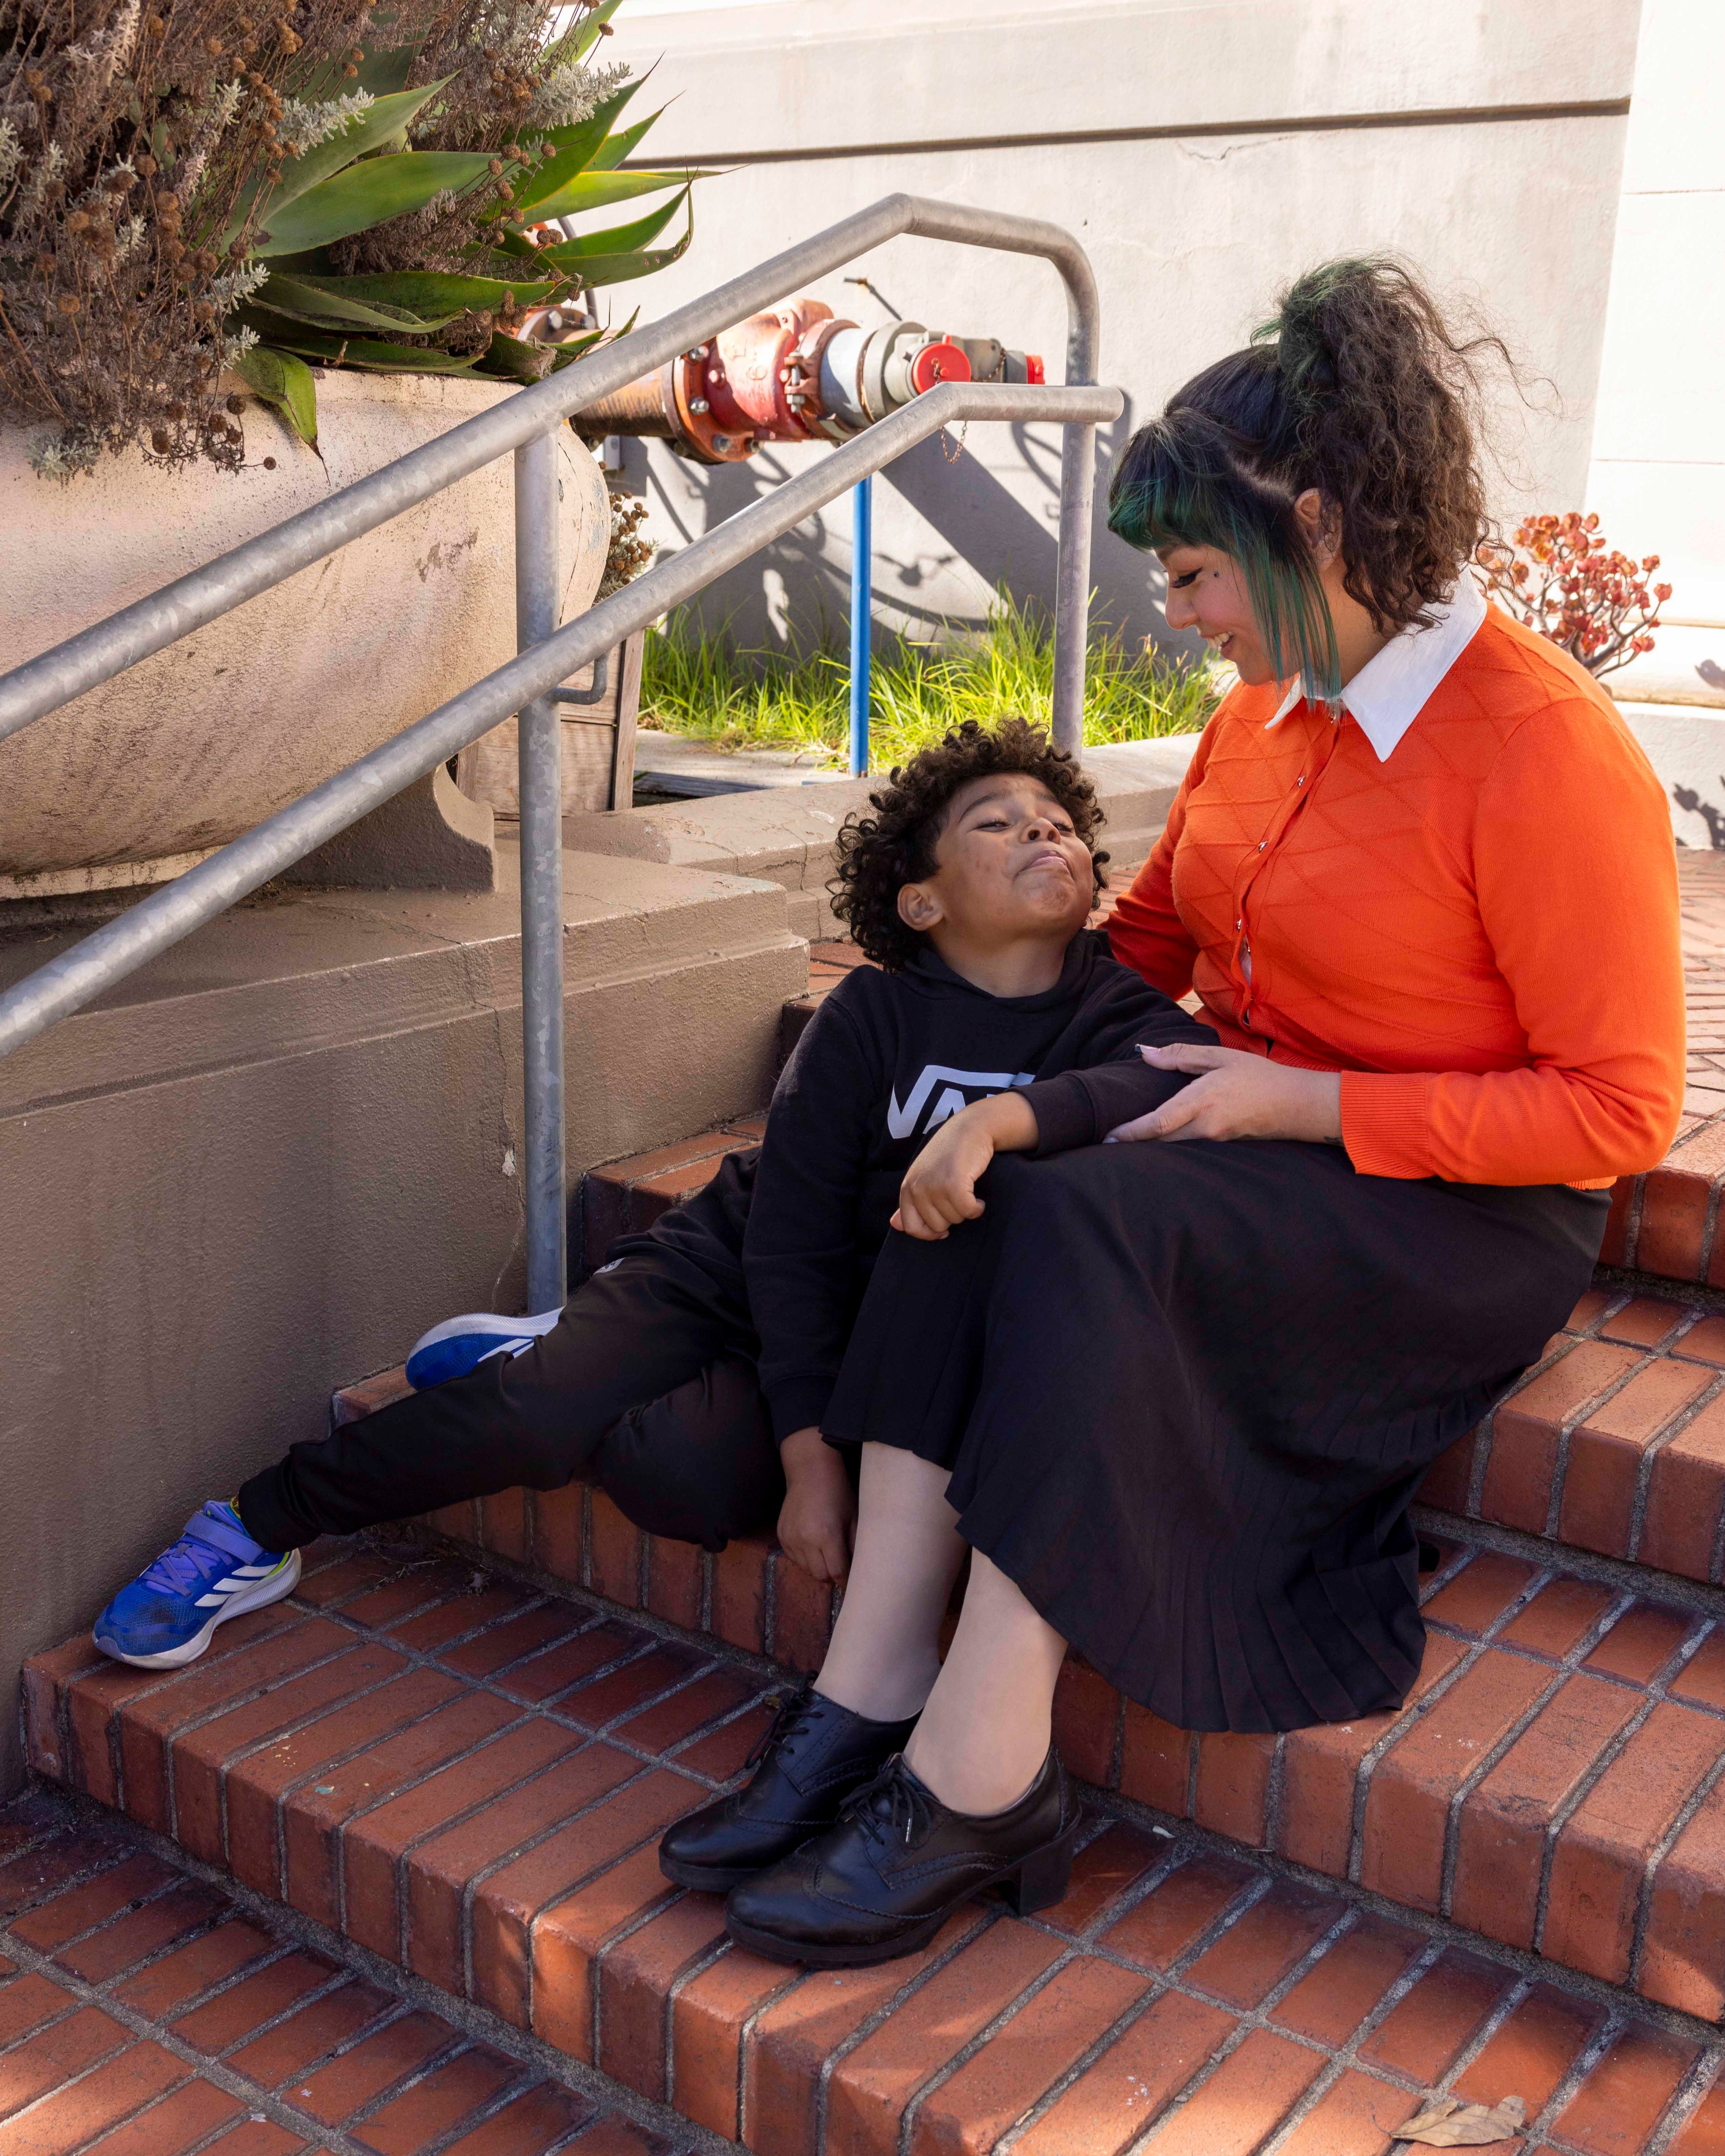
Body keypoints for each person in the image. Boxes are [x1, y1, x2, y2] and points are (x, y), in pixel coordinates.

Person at [690, 257, 1687, 1971]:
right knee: (1006, 1187)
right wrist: (957, 1046)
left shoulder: (1541, 747)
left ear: (1313, 523)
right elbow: (1142, 947)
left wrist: (1303, 1102)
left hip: (1447, 1209)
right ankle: (862, 1690)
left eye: (1196, 570)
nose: (1181, 613)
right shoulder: (1262, 721)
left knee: (1083, 1222)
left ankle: (983, 1770)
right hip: (1236, 1128)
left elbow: (1621, 1109)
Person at [89, 719, 1217, 1688]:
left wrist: (1005, 1120)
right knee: (538, 1422)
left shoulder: (1117, 1013)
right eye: (1001, 822)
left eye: (1062, 824)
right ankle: (262, 1521)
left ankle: (553, 1357)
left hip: (882, 1340)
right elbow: (794, 1244)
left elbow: (1181, 1071)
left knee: (685, 1477)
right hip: (734, 1268)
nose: (1046, 832)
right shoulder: (870, 1017)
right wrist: (817, 1465)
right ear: (919, 900)